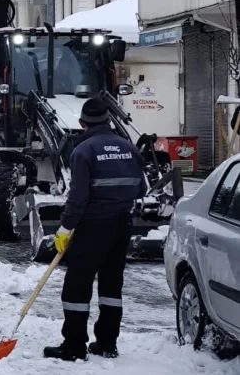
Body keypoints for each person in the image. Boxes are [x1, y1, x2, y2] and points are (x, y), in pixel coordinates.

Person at [43, 97, 148, 362]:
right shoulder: (128, 147)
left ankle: (74, 346)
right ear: (108, 120)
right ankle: (107, 343)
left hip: (93, 226)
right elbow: (141, 189)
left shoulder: (83, 151)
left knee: (77, 285)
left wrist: (65, 227)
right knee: (111, 284)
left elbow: (78, 198)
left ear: (82, 123)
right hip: (122, 224)